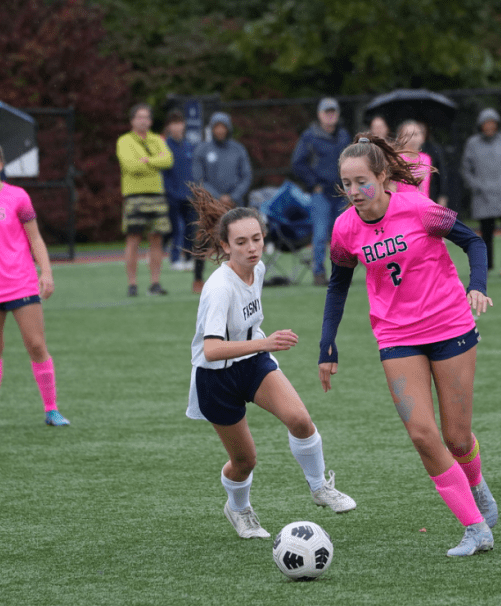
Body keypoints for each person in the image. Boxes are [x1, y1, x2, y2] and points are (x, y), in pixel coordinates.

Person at [319, 134, 498, 558]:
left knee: (457, 438)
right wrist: (328, 344)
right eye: (347, 183)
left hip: (449, 324)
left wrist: (477, 285)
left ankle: (477, 487)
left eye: (362, 182)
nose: (354, 191)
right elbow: (337, 285)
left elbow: (473, 241)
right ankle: (475, 528)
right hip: (396, 336)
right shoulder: (345, 228)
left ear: (383, 177)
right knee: (421, 434)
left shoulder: (419, 208)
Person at [185, 187, 356, 539]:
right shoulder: (219, 288)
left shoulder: (258, 268)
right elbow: (211, 349)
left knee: (300, 420)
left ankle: (319, 487)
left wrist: (260, 348)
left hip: (253, 363)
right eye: (241, 242)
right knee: (245, 461)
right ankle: (238, 509)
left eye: (257, 239)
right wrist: (266, 342)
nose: (252, 248)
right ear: (225, 246)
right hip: (216, 378)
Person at [0, 140, 69, 430]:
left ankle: (52, 409)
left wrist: (46, 272)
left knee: (36, 345)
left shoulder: (18, 197)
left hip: (21, 283)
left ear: (1, 164)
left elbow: (35, 238)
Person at [291, 98, 352, 285]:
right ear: (319, 115)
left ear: (338, 114)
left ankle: (342, 272)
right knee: (320, 235)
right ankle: (319, 272)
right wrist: (313, 183)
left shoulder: (344, 136)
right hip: (321, 193)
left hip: (341, 192)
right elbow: (297, 163)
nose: (330, 115)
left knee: (343, 234)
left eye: (333, 112)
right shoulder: (310, 136)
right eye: (327, 112)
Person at [116, 103, 174, 297]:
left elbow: (168, 160)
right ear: (132, 120)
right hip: (134, 195)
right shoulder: (124, 141)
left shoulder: (157, 139)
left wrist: (147, 160)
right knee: (133, 239)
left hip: (156, 194)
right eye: (139, 117)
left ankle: (155, 283)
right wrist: (154, 162)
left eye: (146, 117)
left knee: (156, 238)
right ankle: (132, 284)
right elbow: (130, 166)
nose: (143, 121)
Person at [192, 111, 253, 289]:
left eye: (223, 127)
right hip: (210, 206)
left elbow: (246, 176)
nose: (220, 130)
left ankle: (240, 277)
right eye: (216, 127)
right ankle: (197, 279)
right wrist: (217, 198)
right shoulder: (202, 150)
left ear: (228, 128)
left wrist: (233, 197)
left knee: (238, 241)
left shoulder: (238, 149)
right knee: (203, 240)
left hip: (234, 205)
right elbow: (199, 179)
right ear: (211, 129)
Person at [461, 108, 501, 277]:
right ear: (480, 125)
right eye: (486, 123)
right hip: (483, 196)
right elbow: (466, 170)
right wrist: (477, 185)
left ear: (497, 124)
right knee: (485, 234)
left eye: (492, 123)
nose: (489, 126)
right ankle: (486, 267)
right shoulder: (472, 144)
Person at [162, 109, 204, 294]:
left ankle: (188, 258)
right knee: (175, 228)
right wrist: (168, 191)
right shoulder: (164, 147)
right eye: (174, 123)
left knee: (190, 228)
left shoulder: (189, 146)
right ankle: (174, 258)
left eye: (180, 123)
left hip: (189, 195)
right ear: (169, 126)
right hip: (172, 195)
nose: (177, 127)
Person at [394, 120, 433, 198]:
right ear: (399, 139)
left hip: (423, 203)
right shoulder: (395, 159)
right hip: (402, 203)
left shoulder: (426, 159)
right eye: (407, 135)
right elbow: (392, 188)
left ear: (422, 137)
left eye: (415, 134)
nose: (412, 138)